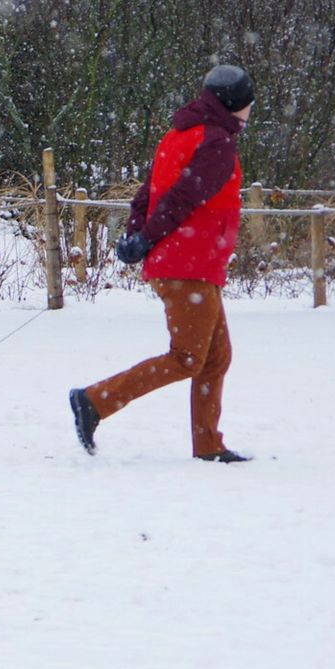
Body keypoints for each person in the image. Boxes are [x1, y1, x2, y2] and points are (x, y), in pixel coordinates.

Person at [69, 64, 257, 463]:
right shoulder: (216, 142)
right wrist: (146, 238)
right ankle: (94, 400)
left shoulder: (179, 135)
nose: (250, 110)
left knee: (215, 357)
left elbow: (147, 193)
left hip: (188, 262)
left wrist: (137, 235)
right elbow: (182, 198)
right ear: (235, 105)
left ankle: (208, 444)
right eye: (247, 103)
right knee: (188, 358)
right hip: (188, 262)